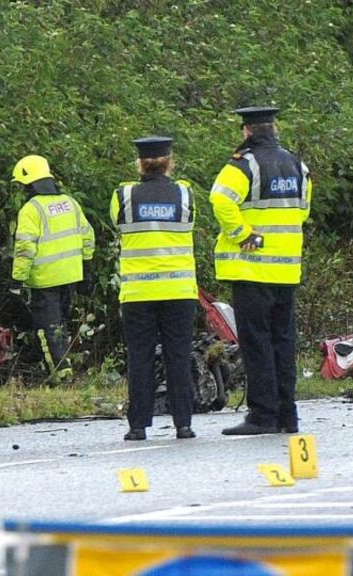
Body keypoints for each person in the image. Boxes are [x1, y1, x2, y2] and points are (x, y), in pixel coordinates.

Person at [209, 106, 312, 435]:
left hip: (252, 269)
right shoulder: (297, 164)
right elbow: (303, 209)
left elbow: (220, 199)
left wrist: (243, 235)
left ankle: (262, 415)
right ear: (274, 128)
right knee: (283, 342)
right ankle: (287, 415)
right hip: (286, 270)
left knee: (257, 344)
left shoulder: (244, 164)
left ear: (247, 132)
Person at [111, 136, 198, 441]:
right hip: (179, 292)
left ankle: (138, 426)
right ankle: (183, 424)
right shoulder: (185, 194)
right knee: (178, 356)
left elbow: (116, 223)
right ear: (169, 161)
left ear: (140, 163)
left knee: (140, 358)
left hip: (139, 294)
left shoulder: (124, 195)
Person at [11, 155, 95, 381]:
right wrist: (86, 268)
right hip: (71, 276)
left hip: (45, 280)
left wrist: (17, 280)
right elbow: (88, 236)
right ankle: (67, 372)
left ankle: (62, 378)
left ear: (27, 183)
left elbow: (25, 248)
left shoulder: (31, 209)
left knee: (47, 331)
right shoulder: (70, 203)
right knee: (62, 327)